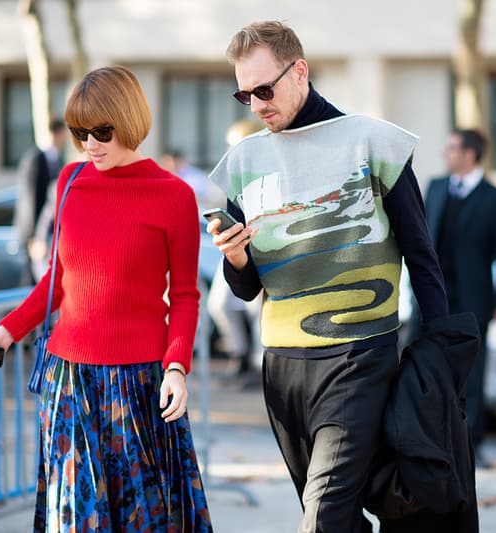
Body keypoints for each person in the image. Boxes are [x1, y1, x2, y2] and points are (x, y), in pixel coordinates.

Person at [207, 21, 448, 532]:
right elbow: (248, 289)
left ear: (300, 71)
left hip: (358, 357)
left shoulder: (373, 142)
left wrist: (443, 353)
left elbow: (422, 256)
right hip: (282, 369)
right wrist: (235, 259)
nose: (256, 104)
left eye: (264, 90)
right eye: (243, 94)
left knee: (324, 518)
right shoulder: (244, 162)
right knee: (335, 519)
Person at [0, 65, 212, 533]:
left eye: (101, 131)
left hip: (139, 384)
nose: (89, 144)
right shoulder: (70, 182)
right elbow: (58, 282)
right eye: (79, 132)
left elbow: (184, 296)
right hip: (69, 381)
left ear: (130, 122)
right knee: (73, 518)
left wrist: (177, 367)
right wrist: (7, 331)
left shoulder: (174, 195)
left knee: (145, 520)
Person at [423, 128, 496, 469]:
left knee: (472, 377)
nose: (444, 154)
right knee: (423, 368)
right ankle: (426, 440)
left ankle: (471, 445)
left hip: (473, 301)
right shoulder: (435, 188)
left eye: (451, 148)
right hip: (431, 298)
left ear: (469, 154)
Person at [206, 119, 264, 383]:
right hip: (232, 249)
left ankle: (258, 363)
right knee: (218, 305)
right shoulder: (233, 173)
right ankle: (240, 355)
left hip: (261, 249)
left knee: (257, 311)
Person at [14, 117, 68, 283]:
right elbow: (30, 200)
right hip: (34, 234)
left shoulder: (57, 160)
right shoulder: (35, 159)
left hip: (46, 233)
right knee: (31, 284)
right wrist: (34, 239)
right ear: (58, 133)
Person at [159, 148, 225, 208]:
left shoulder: (193, 176)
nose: (164, 166)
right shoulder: (165, 177)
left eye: (167, 162)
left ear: (177, 161)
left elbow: (207, 198)